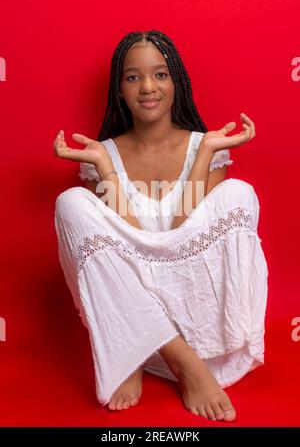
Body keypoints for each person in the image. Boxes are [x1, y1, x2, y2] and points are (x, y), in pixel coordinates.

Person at [53, 30, 268, 423]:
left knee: (239, 192)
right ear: (119, 89)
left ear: (177, 83)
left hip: (195, 318)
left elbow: (183, 246)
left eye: (161, 74)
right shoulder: (101, 155)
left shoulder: (209, 147)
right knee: (71, 203)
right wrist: (104, 167)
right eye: (133, 77)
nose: (148, 87)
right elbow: (128, 248)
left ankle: (168, 348)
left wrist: (205, 153)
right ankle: (162, 357)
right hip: (126, 313)